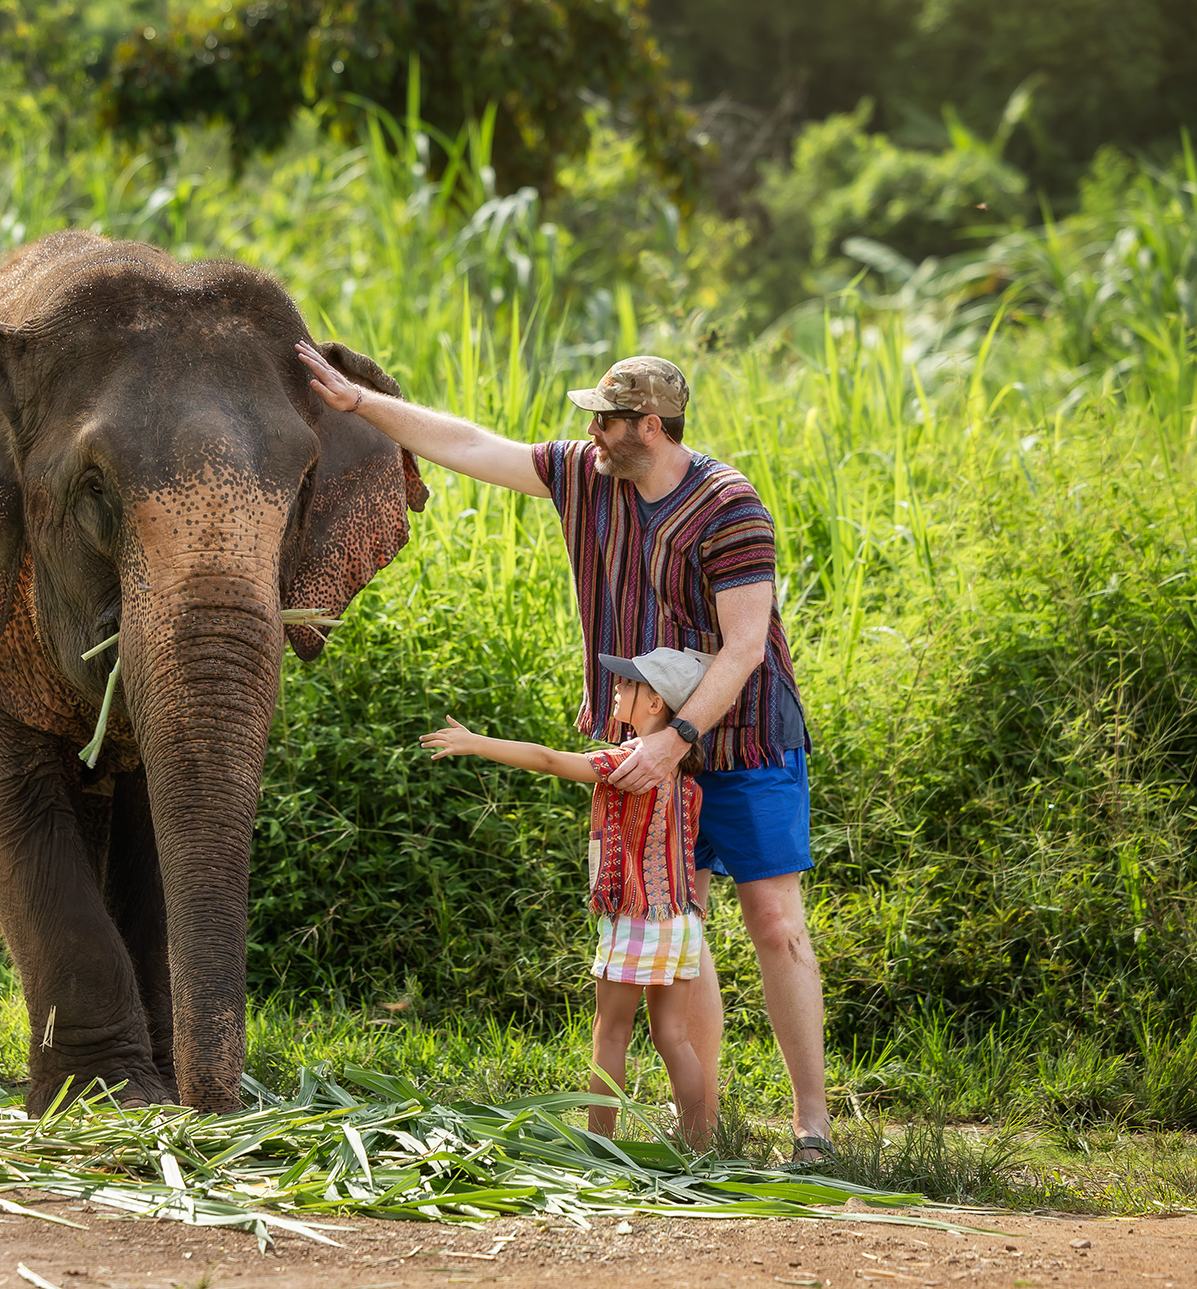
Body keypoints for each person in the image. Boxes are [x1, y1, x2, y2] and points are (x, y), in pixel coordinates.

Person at [298, 341, 832, 1165]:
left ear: (649, 426)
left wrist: (676, 739)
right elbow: (472, 445)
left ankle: (813, 1128)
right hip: (649, 746)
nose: (591, 429)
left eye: (606, 418)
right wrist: (359, 404)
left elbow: (746, 646)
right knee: (680, 923)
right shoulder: (587, 474)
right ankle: (708, 1129)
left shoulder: (730, 506)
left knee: (775, 923)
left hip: (742, 734)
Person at [420, 646, 714, 1146]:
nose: (617, 689)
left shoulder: (631, 760)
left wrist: (477, 742)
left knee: (611, 1032)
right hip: (682, 919)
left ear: (655, 704)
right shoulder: (685, 774)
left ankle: (598, 1145)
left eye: (629, 684)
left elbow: (548, 759)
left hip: (636, 917)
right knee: (674, 1038)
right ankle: (702, 1148)